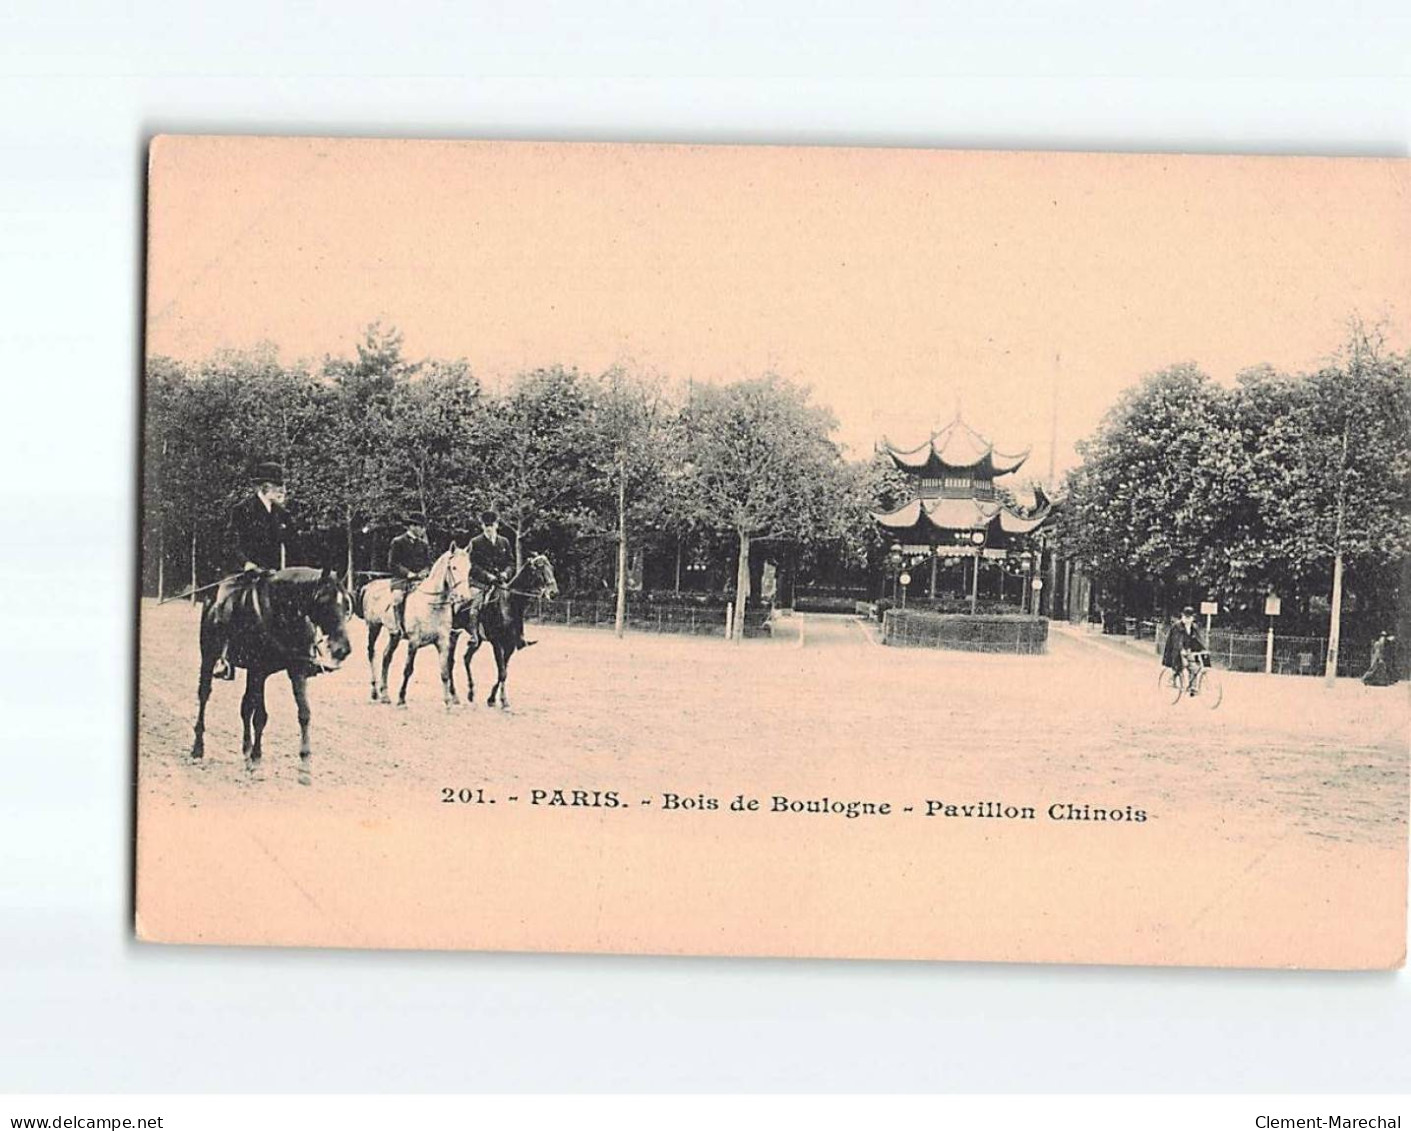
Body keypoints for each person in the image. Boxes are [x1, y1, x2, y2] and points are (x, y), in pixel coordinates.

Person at [210, 462, 291, 680]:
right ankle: (223, 658)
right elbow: (230, 543)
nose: (283, 490)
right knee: (223, 602)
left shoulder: (282, 514)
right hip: (241, 574)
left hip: (271, 575)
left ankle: (305, 654)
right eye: (278, 486)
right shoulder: (241, 510)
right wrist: (246, 564)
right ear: (264, 488)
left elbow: (293, 545)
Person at [465, 510, 530, 648]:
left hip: (501, 582)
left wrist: (506, 573)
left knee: (515, 604)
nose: (489, 528)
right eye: (486, 525)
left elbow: (511, 563)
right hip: (480, 583)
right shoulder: (475, 542)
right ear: (482, 526)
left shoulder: (504, 542)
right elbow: (472, 565)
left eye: (491, 525)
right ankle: (474, 635)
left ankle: (519, 636)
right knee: (475, 605)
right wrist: (487, 576)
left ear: (497, 525)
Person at [387, 511, 432, 637]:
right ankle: (399, 627)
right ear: (412, 526)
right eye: (421, 527)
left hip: (420, 579)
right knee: (398, 598)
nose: (423, 530)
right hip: (401, 579)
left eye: (423, 527)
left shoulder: (423, 544)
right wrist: (408, 573)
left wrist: (425, 572)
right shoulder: (398, 541)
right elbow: (393, 564)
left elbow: (428, 564)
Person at [1161, 605, 1208, 695]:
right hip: (1177, 651)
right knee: (1181, 665)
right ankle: (1173, 678)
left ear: (1192, 618)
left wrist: (1203, 649)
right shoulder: (1177, 627)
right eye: (1185, 617)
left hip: (1189, 651)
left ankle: (1192, 687)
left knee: (1194, 667)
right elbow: (1176, 641)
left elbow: (1199, 639)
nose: (1187, 619)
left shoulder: (1194, 627)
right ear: (1182, 616)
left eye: (1189, 617)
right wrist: (1181, 649)